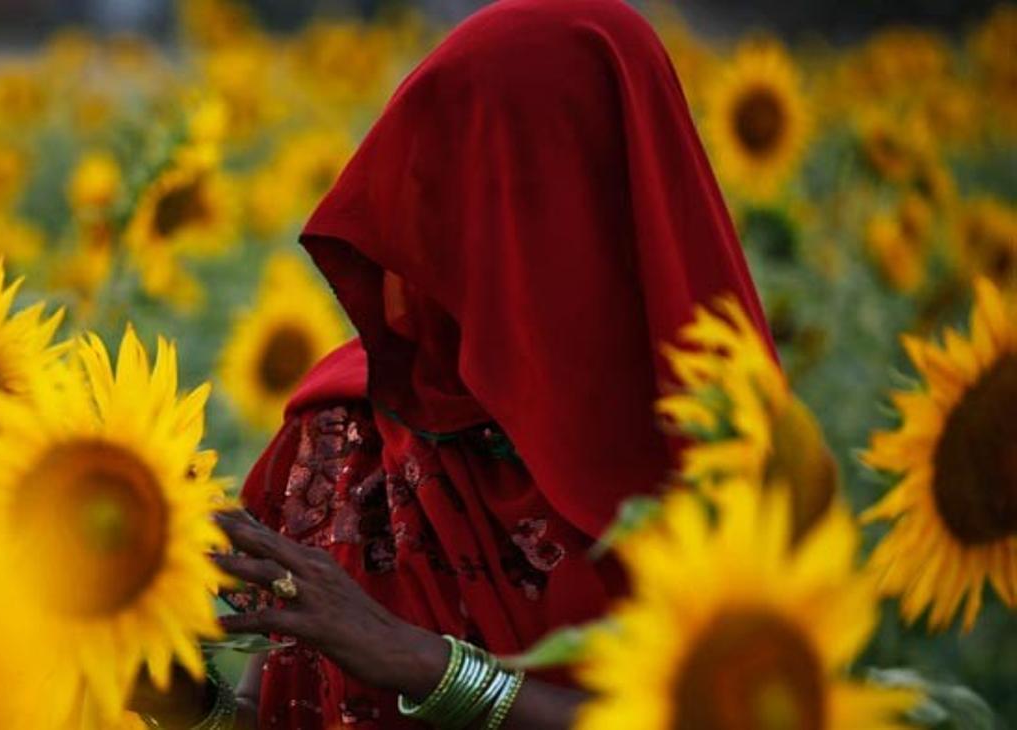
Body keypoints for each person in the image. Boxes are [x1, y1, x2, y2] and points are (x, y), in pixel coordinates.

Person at [133, 0, 771, 726]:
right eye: (448, 184)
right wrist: (165, 689)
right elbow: (276, 712)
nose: (475, 227)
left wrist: (423, 664)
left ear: (620, 191)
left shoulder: (717, 456)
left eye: (520, 189)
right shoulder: (342, 438)